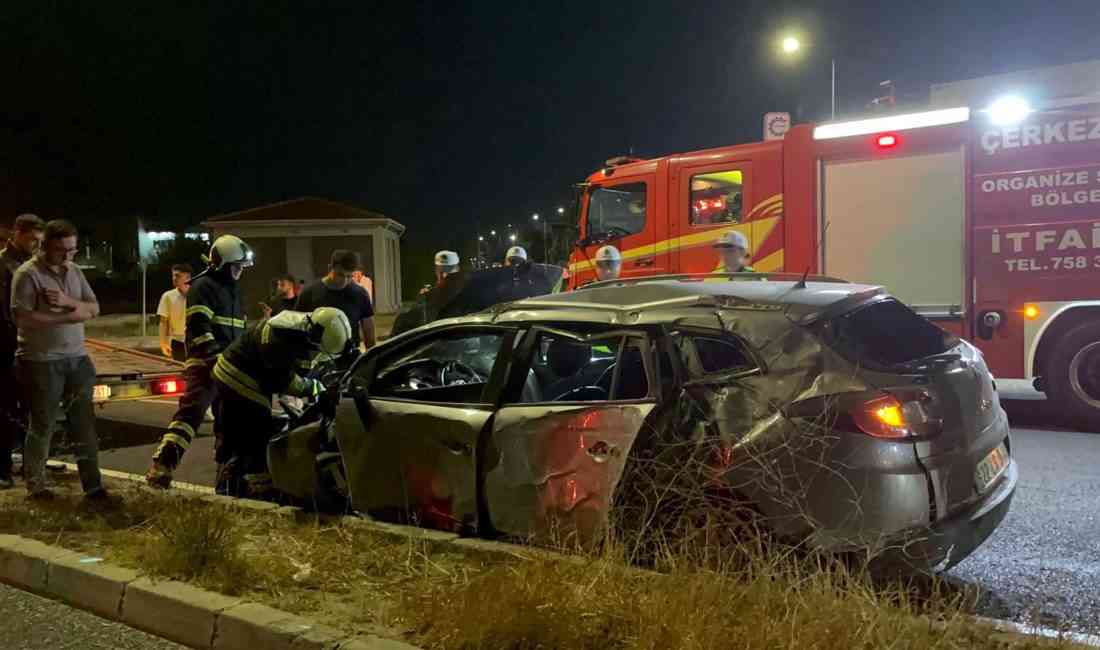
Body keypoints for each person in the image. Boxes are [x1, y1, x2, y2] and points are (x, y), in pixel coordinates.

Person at [12, 219, 112, 502]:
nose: (68, 256)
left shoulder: (75, 271)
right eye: (61, 250)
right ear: (45, 246)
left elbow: (93, 308)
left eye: (73, 250)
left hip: (77, 358)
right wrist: (71, 315)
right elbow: (23, 318)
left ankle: (93, 488)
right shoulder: (27, 274)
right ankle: (37, 487)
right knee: (43, 424)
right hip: (41, 360)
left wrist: (69, 303)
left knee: (84, 424)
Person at [146, 235, 253, 488]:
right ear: (224, 264)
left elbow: (239, 332)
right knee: (190, 416)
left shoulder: (234, 291)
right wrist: (215, 358)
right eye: (237, 266)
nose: (240, 272)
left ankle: (227, 478)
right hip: (205, 366)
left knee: (229, 423)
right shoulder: (204, 286)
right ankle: (161, 467)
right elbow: (199, 327)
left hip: (227, 369)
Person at [211, 307, 351, 497]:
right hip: (238, 376)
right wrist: (316, 388)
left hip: (246, 373)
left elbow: (305, 366)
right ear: (315, 335)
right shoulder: (279, 339)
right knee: (256, 429)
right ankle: (246, 484)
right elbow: (284, 382)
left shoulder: (304, 329)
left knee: (245, 432)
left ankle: (236, 476)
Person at [0, 214, 45, 488]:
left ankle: (32, 467)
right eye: (32, 239)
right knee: (4, 409)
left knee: (31, 410)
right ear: (17, 233)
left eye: (39, 240)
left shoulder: (33, 266)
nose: (35, 244)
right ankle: (2, 469)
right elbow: (5, 311)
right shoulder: (3, 264)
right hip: (6, 347)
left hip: (30, 347)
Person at [295, 250, 375, 354]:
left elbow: (368, 331)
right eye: (340, 275)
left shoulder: (360, 294)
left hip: (349, 357)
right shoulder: (309, 293)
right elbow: (297, 328)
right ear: (329, 268)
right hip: (318, 358)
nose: (344, 281)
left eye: (349, 276)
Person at [157, 264, 192, 361]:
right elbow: (163, 321)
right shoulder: (168, 296)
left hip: (193, 340)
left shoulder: (196, 293)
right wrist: (163, 343)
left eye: (178, 276)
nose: (174, 278)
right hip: (177, 340)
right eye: (173, 275)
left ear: (188, 277)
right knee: (179, 370)